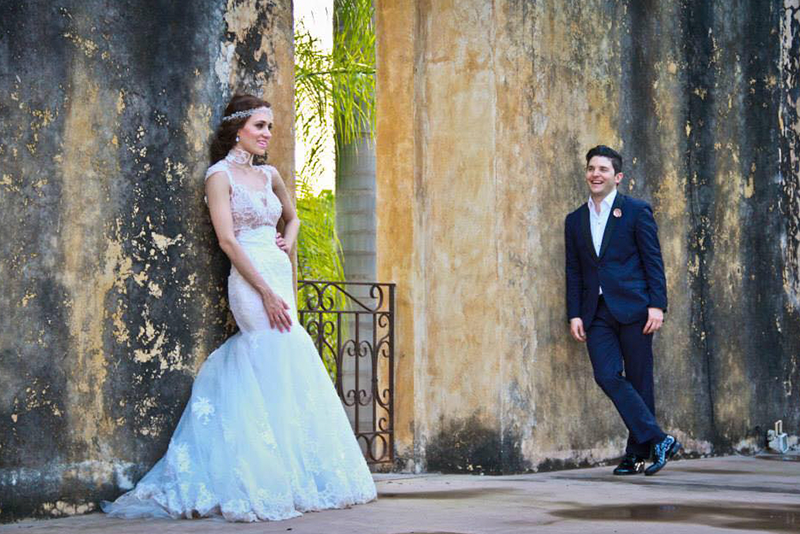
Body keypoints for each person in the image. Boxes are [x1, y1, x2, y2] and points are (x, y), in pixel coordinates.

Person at [102, 94, 376, 521]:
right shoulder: (218, 176)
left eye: (270, 127)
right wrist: (265, 291)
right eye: (260, 126)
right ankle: (258, 473)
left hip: (277, 269)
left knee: (286, 362)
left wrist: (290, 239)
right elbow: (227, 241)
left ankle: (289, 470)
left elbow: (293, 215)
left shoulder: (269, 175)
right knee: (262, 352)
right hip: (250, 281)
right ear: (237, 130)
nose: (268, 134)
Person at [564, 145, 680, 476]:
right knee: (607, 375)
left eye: (602, 169)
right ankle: (659, 439)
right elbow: (573, 270)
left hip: (635, 308)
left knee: (640, 380)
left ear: (617, 177)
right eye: (591, 168)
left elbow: (652, 261)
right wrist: (575, 313)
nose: (595, 174)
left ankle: (635, 453)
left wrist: (657, 305)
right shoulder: (575, 220)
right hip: (596, 312)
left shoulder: (635, 211)